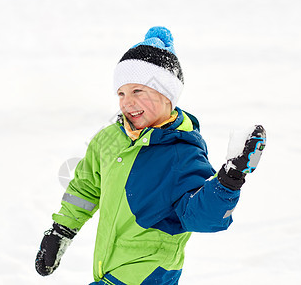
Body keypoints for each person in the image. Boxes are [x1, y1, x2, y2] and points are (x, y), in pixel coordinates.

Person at [35, 26, 266, 285]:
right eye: (121, 93)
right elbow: (86, 187)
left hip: (149, 273)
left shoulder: (182, 151)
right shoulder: (110, 139)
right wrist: (62, 230)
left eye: (138, 91)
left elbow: (201, 216)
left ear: (167, 95)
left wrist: (229, 180)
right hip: (108, 268)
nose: (127, 102)